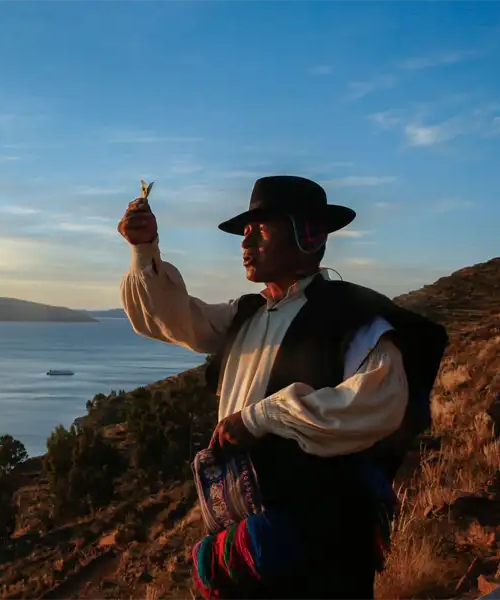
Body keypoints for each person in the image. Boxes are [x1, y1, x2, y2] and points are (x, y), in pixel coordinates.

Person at [117, 175, 448, 599]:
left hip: (321, 556)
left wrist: (263, 416)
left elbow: (378, 403)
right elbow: (171, 319)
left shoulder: (353, 317)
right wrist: (143, 249)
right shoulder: (247, 314)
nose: (245, 242)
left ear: (306, 235)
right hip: (252, 553)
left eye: (261, 229)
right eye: (245, 232)